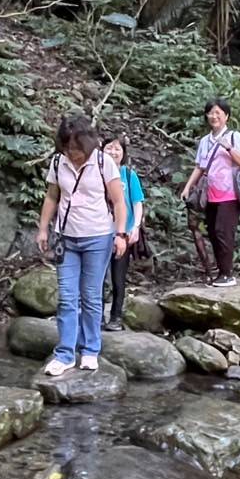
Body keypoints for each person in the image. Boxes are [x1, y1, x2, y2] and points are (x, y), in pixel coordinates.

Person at [37, 115, 129, 377]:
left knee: (91, 297)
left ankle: (90, 350)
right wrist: (43, 228)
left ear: (88, 144)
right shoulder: (58, 162)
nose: (72, 155)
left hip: (98, 237)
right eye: (67, 149)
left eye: (76, 150)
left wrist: (120, 234)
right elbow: (52, 196)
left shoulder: (103, 162)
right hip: (66, 237)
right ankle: (65, 353)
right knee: (67, 297)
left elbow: (119, 202)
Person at [179, 99, 240, 288]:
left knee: (223, 232)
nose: (214, 116)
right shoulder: (205, 141)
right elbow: (200, 167)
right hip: (210, 195)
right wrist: (188, 187)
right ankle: (222, 273)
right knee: (212, 232)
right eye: (211, 113)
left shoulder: (235, 137)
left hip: (230, 195)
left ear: (226, 116)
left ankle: (227, 274)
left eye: (218, 113)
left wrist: (228, 147)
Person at [102, 134, 145, 332]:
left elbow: (137, 203)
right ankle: (95, 317)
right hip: (98, 233)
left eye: (117, 148)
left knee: (118, 278)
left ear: (124, 154)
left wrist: (134, 227)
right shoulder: (96, 173)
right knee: (98, 279)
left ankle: (116, 317)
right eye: (109, 147)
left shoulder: (128, 175)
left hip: (123, 234)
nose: (113, 151)